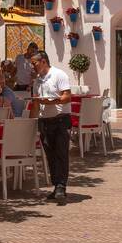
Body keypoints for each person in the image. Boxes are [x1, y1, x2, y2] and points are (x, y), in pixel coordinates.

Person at [28, 51, 73, 205]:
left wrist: (50, 102)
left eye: (34, 63)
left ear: (43, 61)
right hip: (45, 121)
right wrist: (30, 124)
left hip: (60, 120)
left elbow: (67, 97)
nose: (32, 66)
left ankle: (61, 186)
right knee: (50, 155)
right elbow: (35, 104)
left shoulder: (59, 75)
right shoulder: (37, 81)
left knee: (61, 153)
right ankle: (56, 185)